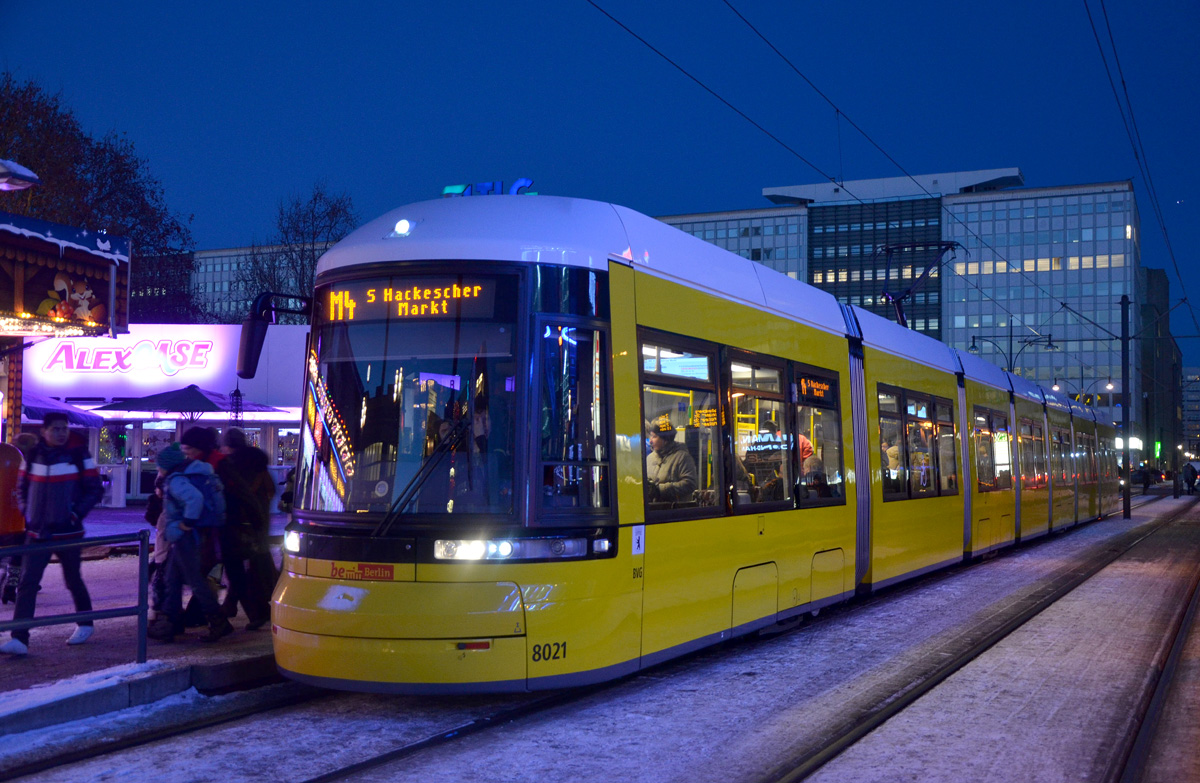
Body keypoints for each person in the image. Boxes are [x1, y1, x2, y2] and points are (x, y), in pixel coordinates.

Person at [1, 413, 104, 656]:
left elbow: (94, 489)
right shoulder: (35, 454)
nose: (61, 433)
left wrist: (74, 514)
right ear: (44, 431)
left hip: (68, 531)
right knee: (27, 583)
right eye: (56, 429)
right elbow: (22, 485)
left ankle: (85, 623)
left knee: (72, 579)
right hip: (37, 531)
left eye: (64, 429)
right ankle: (20, 638)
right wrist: (28, 512)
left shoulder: (78, 455)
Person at [147, 443, 233, 643]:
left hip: (188, 536)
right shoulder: (196, 473)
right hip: (193, 535)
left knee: (195, 580)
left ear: (167, 466)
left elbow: (194, 499)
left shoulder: (177, 480)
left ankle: (218, 620)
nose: (158, 471)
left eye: (159, 467)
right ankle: (168, 623)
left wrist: (187, 523)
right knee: (172, 579)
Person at [217, 428, 276, 629]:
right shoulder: (258, 464)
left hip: (240, 521)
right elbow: (270, 490)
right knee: (244, 566)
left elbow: (237, 493)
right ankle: (232, 605)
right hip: (258, 520)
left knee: (237, 567)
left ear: (227, 445)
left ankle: (255, 611)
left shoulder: (231, 465)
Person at [645, 415, 698, 503]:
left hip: (674, 512)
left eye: (654, 437)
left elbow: (690, 484)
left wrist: (660, 489)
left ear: (665, 439)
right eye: (651, 436)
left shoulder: (682, 457)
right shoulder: (650, 458)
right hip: (654, 512)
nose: (650, 441)